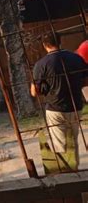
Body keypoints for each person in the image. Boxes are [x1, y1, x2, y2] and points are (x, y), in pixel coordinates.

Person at [31, 33, 87, 170]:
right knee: (73, 141)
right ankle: (75, 172)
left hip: (55, 108)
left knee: (60, 145)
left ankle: (68, 175)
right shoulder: (76, 58)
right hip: (75, 106)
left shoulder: (41, 64)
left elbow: (34, 92)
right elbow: (85, 81)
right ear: (60, 41)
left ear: (44, 45)